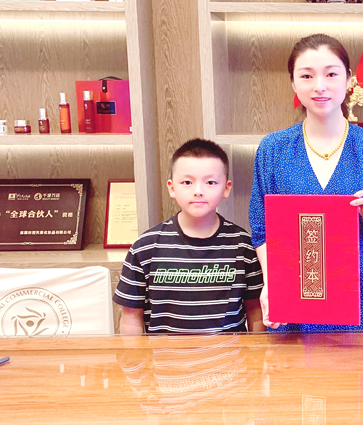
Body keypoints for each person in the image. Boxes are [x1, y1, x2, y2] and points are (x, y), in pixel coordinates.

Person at [249, 33, 363, 332]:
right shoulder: (273, 149)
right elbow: (262, 230)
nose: (319, 85)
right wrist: (272, 283)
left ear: (348, 79)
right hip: (293, 293)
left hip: (359, 294)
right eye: (307, 76)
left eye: (331, 74)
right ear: (293, 83)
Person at [113, 138, 264, 334]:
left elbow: (256, 312)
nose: (198, 191)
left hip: (229, 354)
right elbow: (131, 315)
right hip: (163, 354)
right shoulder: (145, 247)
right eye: (187, 182)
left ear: (226, 188)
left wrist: (257, 353)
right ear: (172, 187)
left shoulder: (244, 247)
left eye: (210, 182)